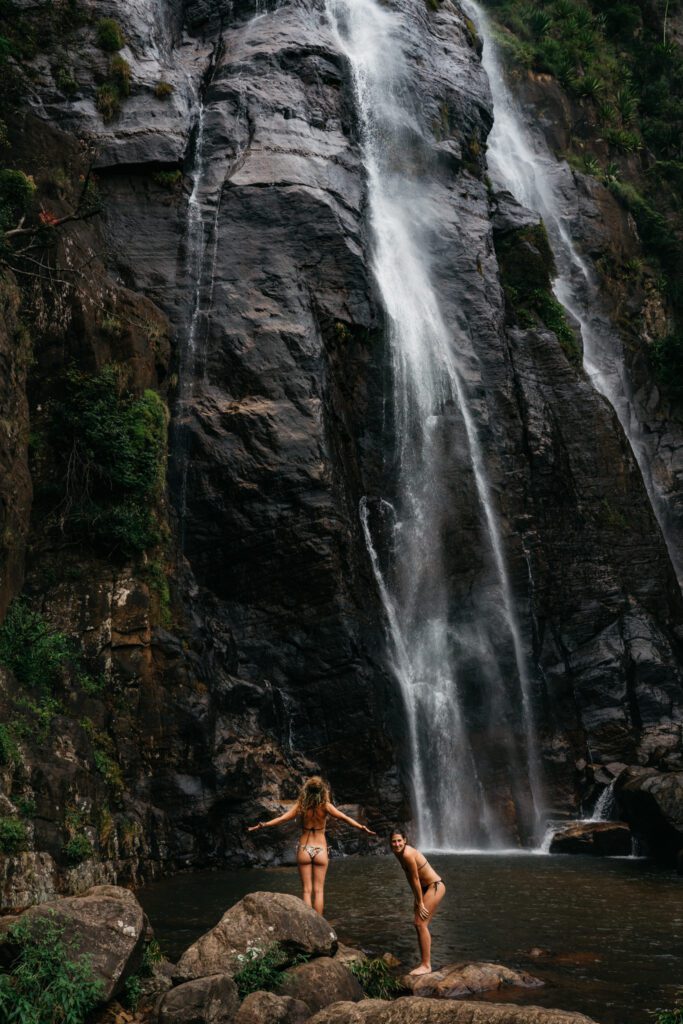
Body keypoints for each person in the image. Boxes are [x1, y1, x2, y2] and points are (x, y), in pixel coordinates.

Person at [247, 776, 375, 915]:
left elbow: (282, 819)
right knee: (319, 891)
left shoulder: (302, 805)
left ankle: (309, 925)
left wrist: (263, 825)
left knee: (307, 890)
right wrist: (362, 827)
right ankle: (319, 926)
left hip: (304, 848)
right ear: (322, 791)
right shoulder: (326, 806)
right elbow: (345, 818)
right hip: (320, 850)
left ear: (306, 790)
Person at [390, 827, 445, 975]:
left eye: (399, 841)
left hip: (435, 887)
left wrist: (420, 902)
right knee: (418, 924)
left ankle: (426, 965)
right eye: (394, 842)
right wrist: (417, 898)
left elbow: (415, 878)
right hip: (425, 888)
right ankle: (424, 963)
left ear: (405, 840)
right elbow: (409, 877)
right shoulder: (398, 853)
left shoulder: (407, 854)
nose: (396, 844)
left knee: (421, 923)